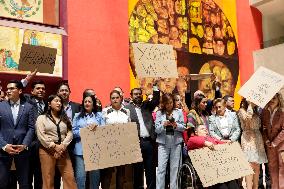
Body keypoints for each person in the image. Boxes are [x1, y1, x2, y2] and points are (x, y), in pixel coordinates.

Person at [36, 95, 77, 189]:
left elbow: (70, 133)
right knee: (48, 178)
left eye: (60, 101)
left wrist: (63, 145)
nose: (59, 103)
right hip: (47, 150)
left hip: (63, 150)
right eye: (56, 101)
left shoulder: (65, 118)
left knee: (69, 177)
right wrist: (54, 146)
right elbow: (41, 135)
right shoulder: (41, 118)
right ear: (49, 104)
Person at [0, 80, 36, 189]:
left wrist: (25, 144)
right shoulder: (1, 106)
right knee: (2, 183)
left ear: (20, 91)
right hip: (4, 151)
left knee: (24, 183)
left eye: (11, 88)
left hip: (23, 152)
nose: (8, 91)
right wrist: (4, 145)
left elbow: (31, 128)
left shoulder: (29, 107)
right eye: (7, 89)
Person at [125, 85, 160, 189]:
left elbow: (156, 100)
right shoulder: (127, 109)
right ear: (131, 96)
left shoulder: (147, 105)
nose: (138, 96)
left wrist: (155, 87)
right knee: (137, 171)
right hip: (136, 143)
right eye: (135, 94)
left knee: (151, 169)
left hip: (149, 142)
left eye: (140, 94)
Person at [188, 124, 239, 189]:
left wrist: (228, 144)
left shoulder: (211, 138)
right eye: (202, 129)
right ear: (196, 132)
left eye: (206, 129)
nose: (205, 130)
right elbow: (191, 141)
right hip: (207, 168)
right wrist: (205, 142)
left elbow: (221, 144)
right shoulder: (193, 139)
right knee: (222, 186)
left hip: (220, 166)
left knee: (232, 182)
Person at [101, 90, 132, 189]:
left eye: (117, 97)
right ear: (110, 100)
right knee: (108, 172)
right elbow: (102, 127)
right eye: (113, 98)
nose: (115, 100)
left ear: (121, 98)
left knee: (121, 172)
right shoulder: (105, 111)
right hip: (109, 145)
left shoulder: (127, 111)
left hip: (123, 145)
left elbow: (129, 127)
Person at [72, 94, 105, 189]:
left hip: (95, 150)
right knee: (80, 177)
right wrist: (85, 131)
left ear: (93, 104)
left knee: (95, 177)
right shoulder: (77, 116)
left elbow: (104, 132)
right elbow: (73, 132)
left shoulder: (99, 116)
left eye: (89, 101)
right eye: (85, 101)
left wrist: (97, 127)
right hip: (80, 150)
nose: (87, 103)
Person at [155, 93, 185, 189]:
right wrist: (163, 125)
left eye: (171, 102)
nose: (169, 105)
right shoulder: (159, 113)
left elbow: (183, 128)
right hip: (163, 143)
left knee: (175, 168)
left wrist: (176, 125)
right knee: (161, 169)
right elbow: (156, 130)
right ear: (163, 103)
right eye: (167, 103)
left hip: (176, 143)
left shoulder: (179, 112)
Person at [238, 99, 267, 189]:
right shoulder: (242, 110)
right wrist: (250, 106)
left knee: (257, 164)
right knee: (249, 165)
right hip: (248, 138)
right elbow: (247, 122)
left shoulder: (257, 111)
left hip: (257, 138)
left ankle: (256, 187)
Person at [24, 80, 46, 189]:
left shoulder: (47, 105)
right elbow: (18, 90)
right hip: (29, 144)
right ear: (32, 91)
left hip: (43, 146)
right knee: (27, 177)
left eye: (43, 88)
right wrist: (26, 80)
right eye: (38, 88)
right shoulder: (27, 101)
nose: (41, 90)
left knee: (40, 178)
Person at [262, 93, 284, 189]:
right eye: (270, 98)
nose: (271, 100)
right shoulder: (265, 112)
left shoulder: (282, 112)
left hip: (281, 146)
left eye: (274, 98)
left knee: (282, 169)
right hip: (270, 146)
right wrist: (266, 140)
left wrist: (275, 142)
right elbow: (263, 128)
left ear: (279, 100)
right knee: (272, 169)